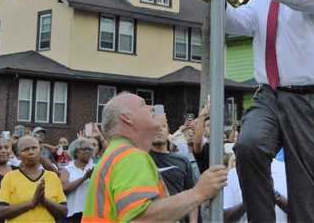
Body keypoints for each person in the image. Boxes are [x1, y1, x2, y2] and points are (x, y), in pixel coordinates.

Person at [207, 0, 314, 222]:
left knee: (305, 195)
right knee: (248, 146)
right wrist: (219, 0)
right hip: (270, 94)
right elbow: (235, 23)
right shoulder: (263, 4)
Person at [82, 92, 227, 222]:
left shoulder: (117, 154)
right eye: (143, 104)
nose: (152, 108)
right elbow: (141, 218)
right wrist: (199, 192)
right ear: (127, 118)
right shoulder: (129, 156)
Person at [0, 136, 67, 222]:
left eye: (34, 148)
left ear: (40, 151)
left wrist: (45, 201)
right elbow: (0, 213)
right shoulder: (10, 177)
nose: (31, 152)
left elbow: (64, 212)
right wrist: (31, 203)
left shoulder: (52, 177)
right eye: (25, 149)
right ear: (18, 155)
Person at [150, 115, 198, 223]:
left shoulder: (182, 161)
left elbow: (192, 196)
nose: (159, 129)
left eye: (163, 126)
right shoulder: (141, 159)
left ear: (168, 132)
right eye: (154, 127)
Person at [224, 151, 288, 223]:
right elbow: (224, 218)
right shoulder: (232, 175)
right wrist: (247, 202)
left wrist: (276, 196)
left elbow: (300, 212)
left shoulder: (286, 170)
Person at [60, 138, 94, 223]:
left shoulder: (95, 167)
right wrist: (84, 178)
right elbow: (65, 189)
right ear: (76, 151)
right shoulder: (67, 169)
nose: (88, 151)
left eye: (90, 149)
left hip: (91, 214)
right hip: (73, 216)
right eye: (84, 149)